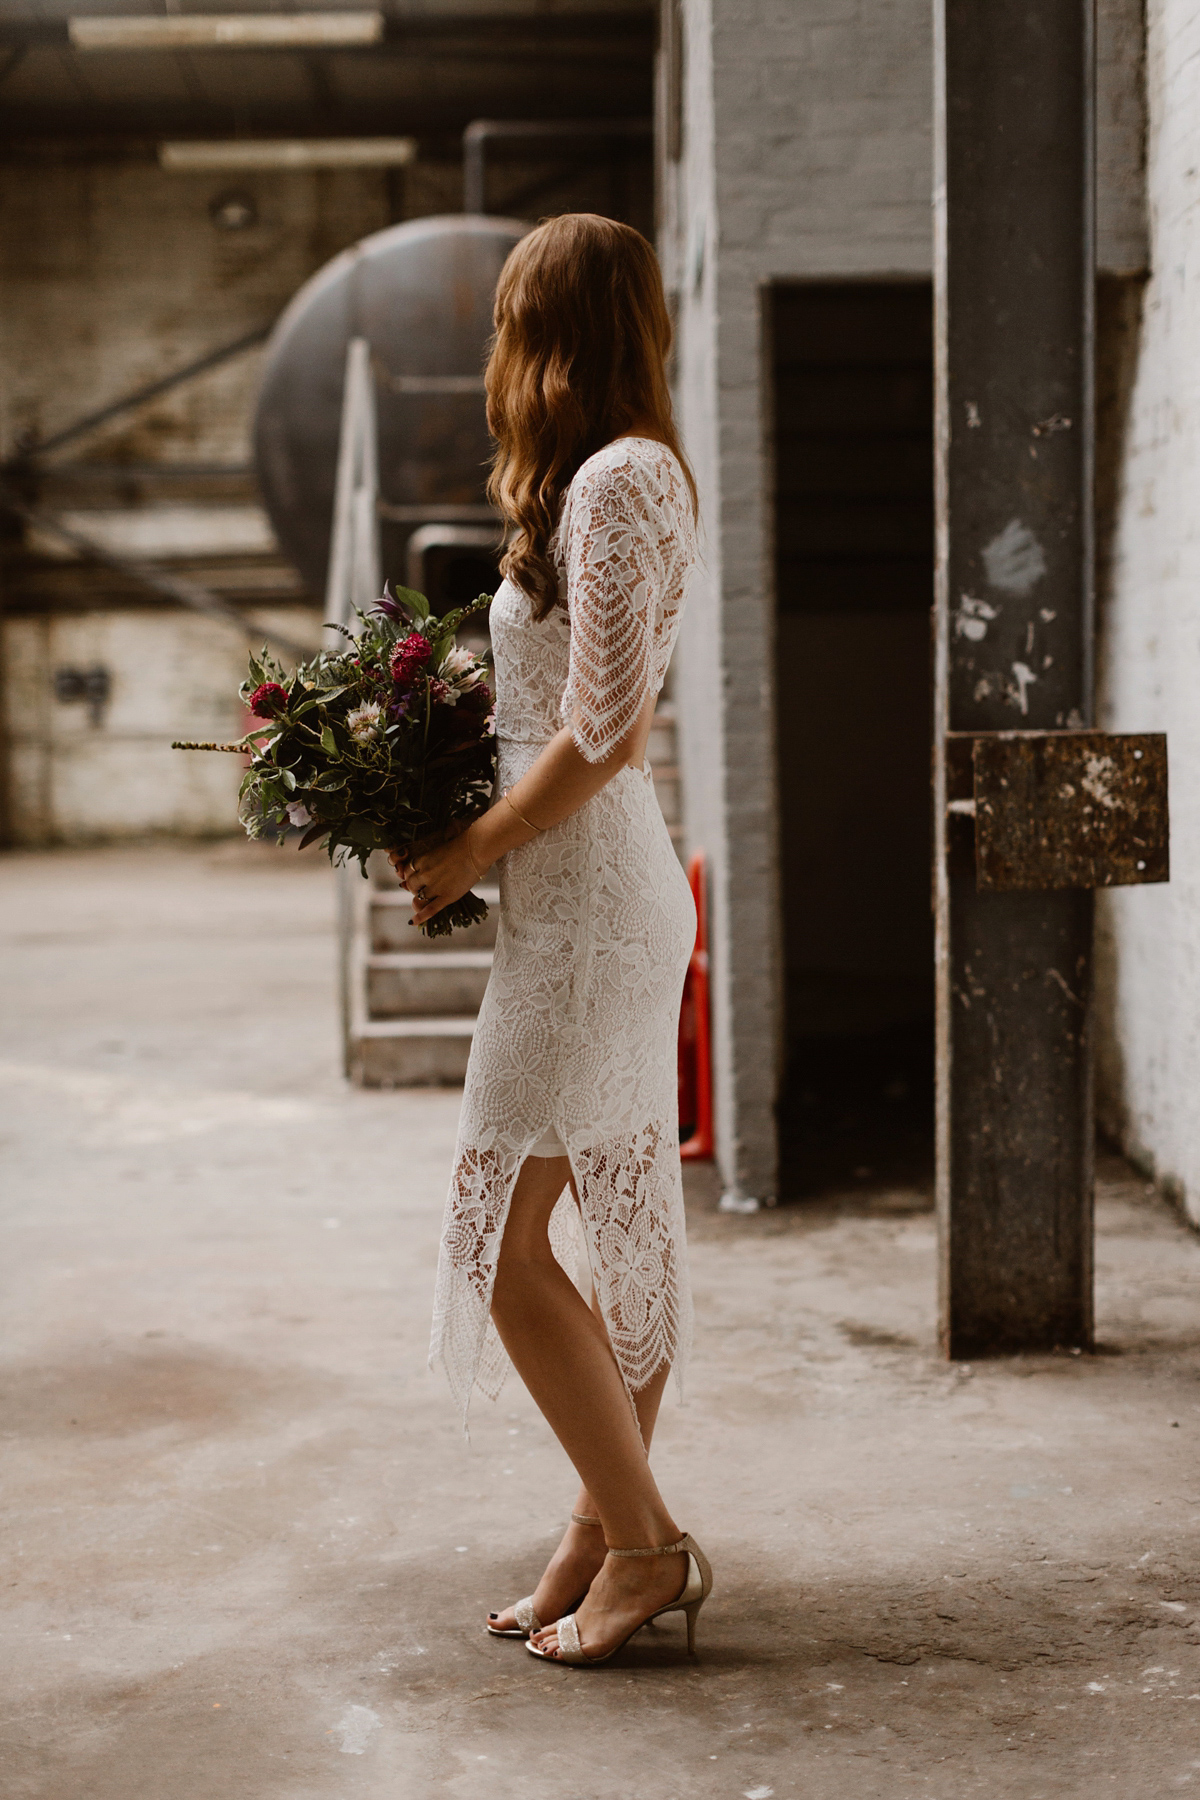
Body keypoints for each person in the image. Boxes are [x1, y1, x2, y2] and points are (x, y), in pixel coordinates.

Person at [392, 213, 710, 1667]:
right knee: (602, 1230)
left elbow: (600, 733)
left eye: (512, 321)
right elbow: (548, 717)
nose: (494, 353)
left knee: (504, 1242)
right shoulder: (599, 484)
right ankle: (603, 1534)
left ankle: (642, 1544)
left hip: (589, 908)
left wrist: (473, 844)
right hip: (572, 906)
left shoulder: (620, 479)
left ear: (553, 332)